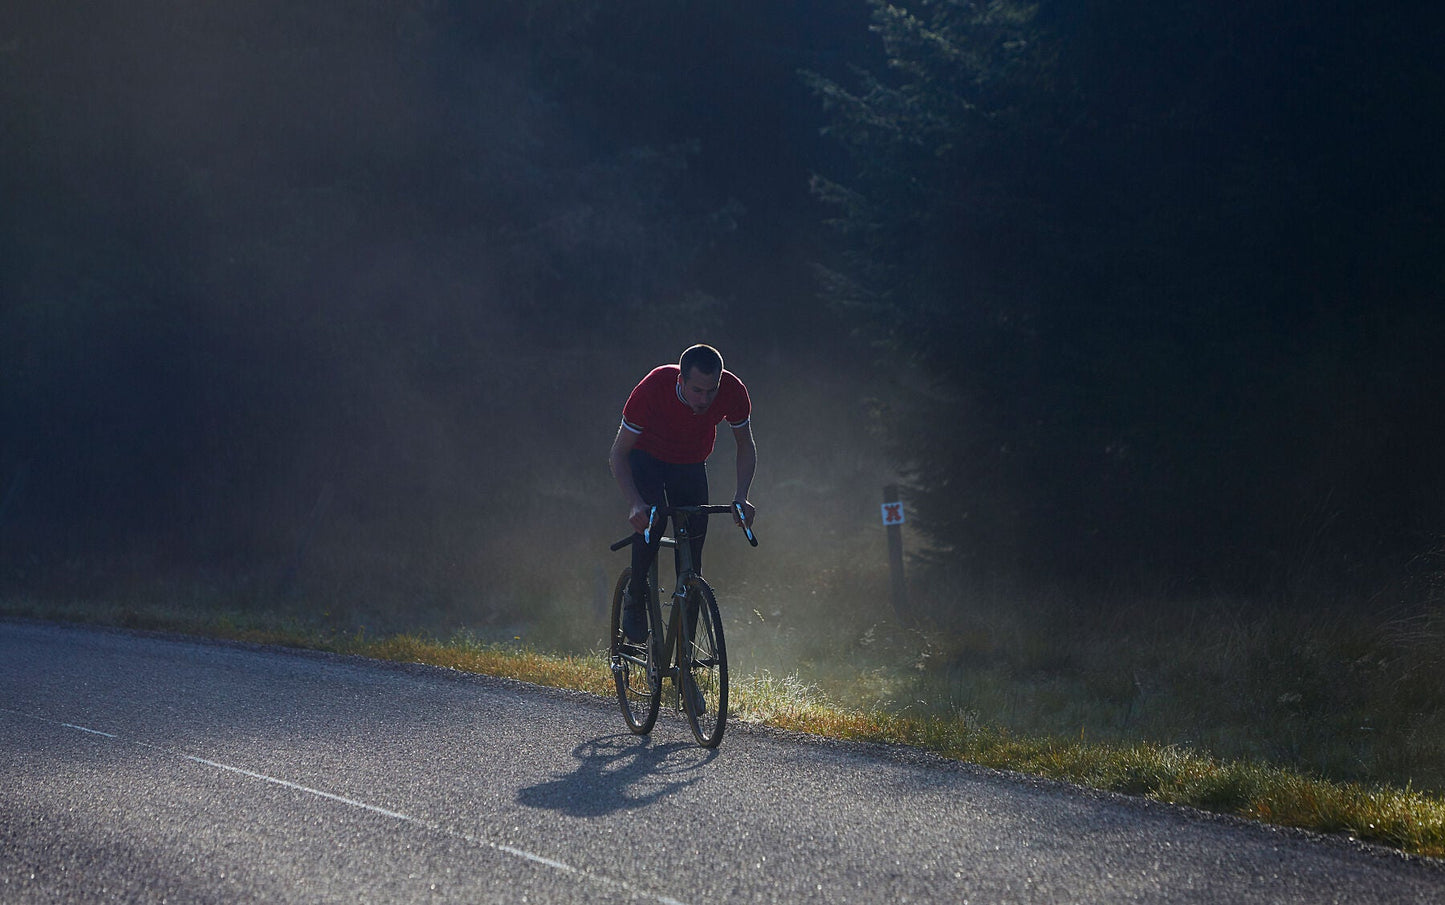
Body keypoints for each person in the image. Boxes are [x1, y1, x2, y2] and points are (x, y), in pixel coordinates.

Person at [609, 343, 757, 642]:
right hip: (646, 457)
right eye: (697, 390)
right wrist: (635, 504)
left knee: (693, 538)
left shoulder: (732, 390)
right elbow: (618, 454)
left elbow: (745, 445)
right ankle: (636, 597)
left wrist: (741, 495)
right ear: (681, 381)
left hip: (690, 461)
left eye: (711, 390)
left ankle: (685, 642)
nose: (705, 399)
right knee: (653, 521)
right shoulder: (653, 387)